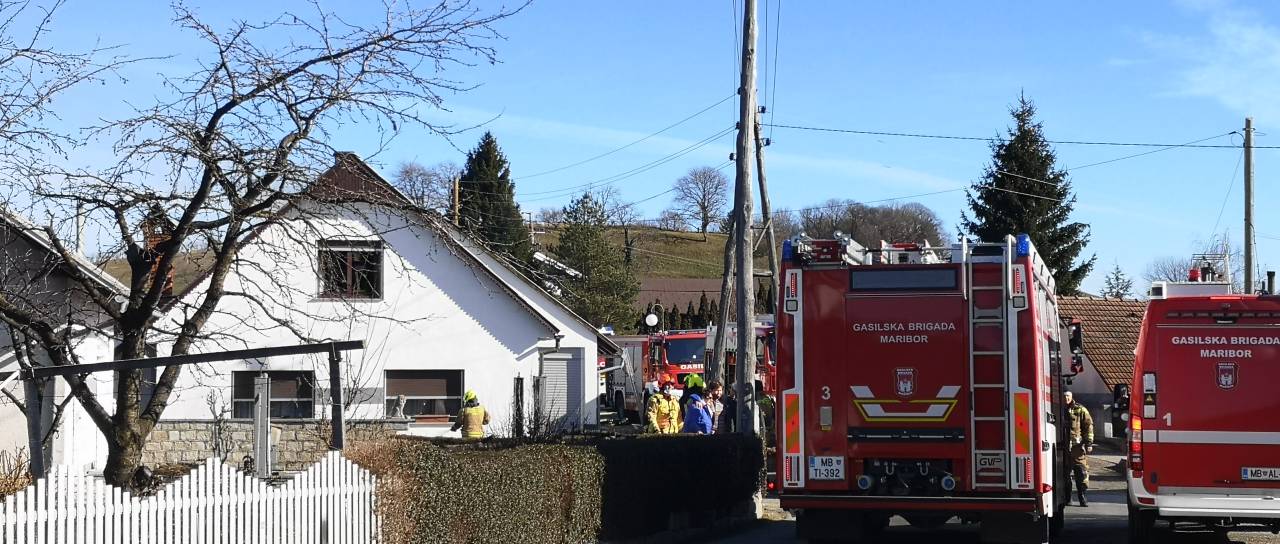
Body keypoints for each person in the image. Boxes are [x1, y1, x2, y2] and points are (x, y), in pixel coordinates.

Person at [1064, 390, 1094, 506]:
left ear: (1072, 397)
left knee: (1081, 473)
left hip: (1077, 448)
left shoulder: (1080, 409)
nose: (1066, 398)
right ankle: (1067, 498)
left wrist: (1089, 443)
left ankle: (1082, 497)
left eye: (1068, 396)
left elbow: (1088, 426)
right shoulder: (1057, 408)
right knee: (1064, 475)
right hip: (1062, 448)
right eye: (1064, 396)